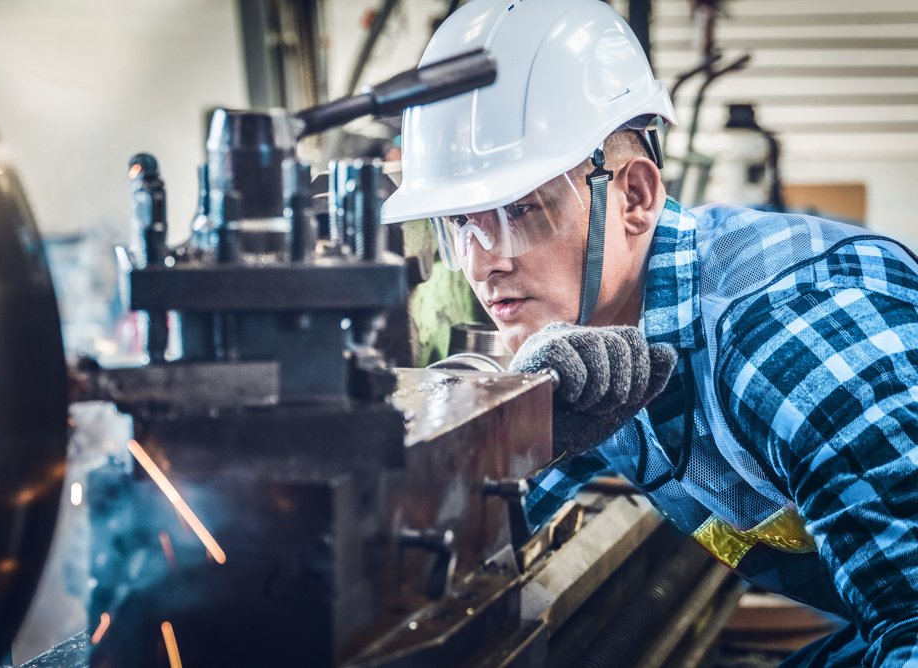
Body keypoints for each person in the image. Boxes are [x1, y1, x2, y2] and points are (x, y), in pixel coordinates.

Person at [381, 0, 918, 665]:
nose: (484, 261)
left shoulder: (785, 340)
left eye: (520, 210)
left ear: (634, 196)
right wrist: (524, 437)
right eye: (459, 223)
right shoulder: (604, 335)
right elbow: (458, 544)